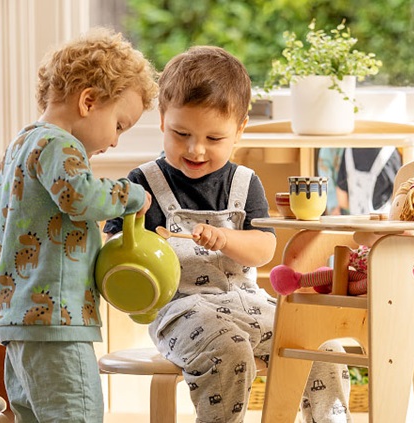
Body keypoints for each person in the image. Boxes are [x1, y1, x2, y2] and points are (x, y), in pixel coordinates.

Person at [104, 46, 352, 423]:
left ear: (240, 130)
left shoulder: (244, 182)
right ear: (161, 120)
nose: (196, 149)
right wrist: (140, 240)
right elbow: (114, 251)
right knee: (228, 351)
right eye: (181, 133)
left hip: (247, 303)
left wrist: (227, 239)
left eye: (214, 139)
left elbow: (264, 248)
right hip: (180, 310)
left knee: (323, 347)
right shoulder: (143, 183)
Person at [0, 27, 157, 423]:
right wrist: (132, 194)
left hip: (17, 322)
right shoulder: (59, 145)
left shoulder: (19, 147)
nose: (116, 141)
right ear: (88, 101)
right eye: (119, 124)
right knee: (77, 414)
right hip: (57, 323)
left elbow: (4, 227)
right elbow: (80, 197)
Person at [271, 177, 414, 296]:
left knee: (345, 281)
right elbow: (362, 238)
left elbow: (364, 238)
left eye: (398, 205)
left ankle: (302, 280)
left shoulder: (408, 236)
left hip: (384, 280)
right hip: (373, 274)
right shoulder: (398, 231)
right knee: (339, 276)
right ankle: (303, 280)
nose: (394, 210)